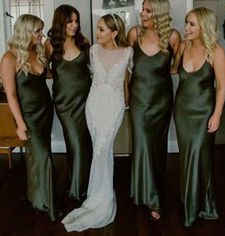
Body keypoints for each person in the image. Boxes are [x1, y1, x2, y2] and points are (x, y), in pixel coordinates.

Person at [61, 13, 133, 232]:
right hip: (93, 106)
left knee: (104, 148)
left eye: (102, 29)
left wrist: (127, 102)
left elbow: (126, 80)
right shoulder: (92, 51)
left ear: (114, 33)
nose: (97, 32)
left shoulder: (128, 52)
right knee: (98, 150)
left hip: (114, 106)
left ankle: (102, 200)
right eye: (98, 28)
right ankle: (97, 195)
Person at [172, 7, 225, 226]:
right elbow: (173, 69)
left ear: (203, 26)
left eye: (191, 24)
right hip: (182, 111)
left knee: (200, 156)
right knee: (187, 156)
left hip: (204, 112)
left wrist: (217, 114)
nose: (186, 27)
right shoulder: (184, 46)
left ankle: (202, 205)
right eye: (186, 23)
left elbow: (222, 87)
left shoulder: (216, 51)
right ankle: (189, 200)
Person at [0, 14, 59, 221]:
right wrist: (20, 124)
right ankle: (46, 204)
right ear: (25, 31)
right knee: (42, 156)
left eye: (41, 30)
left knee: (39, 157)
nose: (41, 35)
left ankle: (36, 197)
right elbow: (11, 95)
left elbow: (47, 77)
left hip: (45, 111)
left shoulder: (38, 51)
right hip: (28, 116)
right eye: (37, 31)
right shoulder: (9, 58)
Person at [127, 0, 181, 220]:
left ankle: (148, 189)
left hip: (161, 101)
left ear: (158, 13)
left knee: (157, 147)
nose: (142, 13)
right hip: (139, 99)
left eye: (148, 10)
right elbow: (125, 67)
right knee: (142, 144)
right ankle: (152, 199)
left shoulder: (173, 37)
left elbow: (176, 68)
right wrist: (125, 92)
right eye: (142, 9)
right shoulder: (134, 34)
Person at [45, 4, 92, 203]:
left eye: (76, 21)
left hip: (87, 100)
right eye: (69, 21)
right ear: (60, 22)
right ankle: (77, 191)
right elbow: (42, 70)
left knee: (85, 143)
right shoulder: (49, 44)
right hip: (65, 103)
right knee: (76, 143)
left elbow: (95, 68)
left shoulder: (83, 42)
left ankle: (86, 185)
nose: (74, 25)